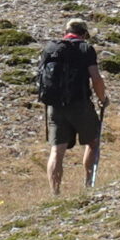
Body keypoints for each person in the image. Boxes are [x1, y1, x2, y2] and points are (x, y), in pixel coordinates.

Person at [37, 18, 108, 195]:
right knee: (93, 142)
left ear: (65, 32)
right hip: (80, 103)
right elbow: (96, 78)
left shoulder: (50, 48)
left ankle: (55, 193)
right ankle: (89, 185)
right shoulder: (85, 48)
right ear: (84, 33)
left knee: (57, 150)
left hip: (54, 105)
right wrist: (102, 98)